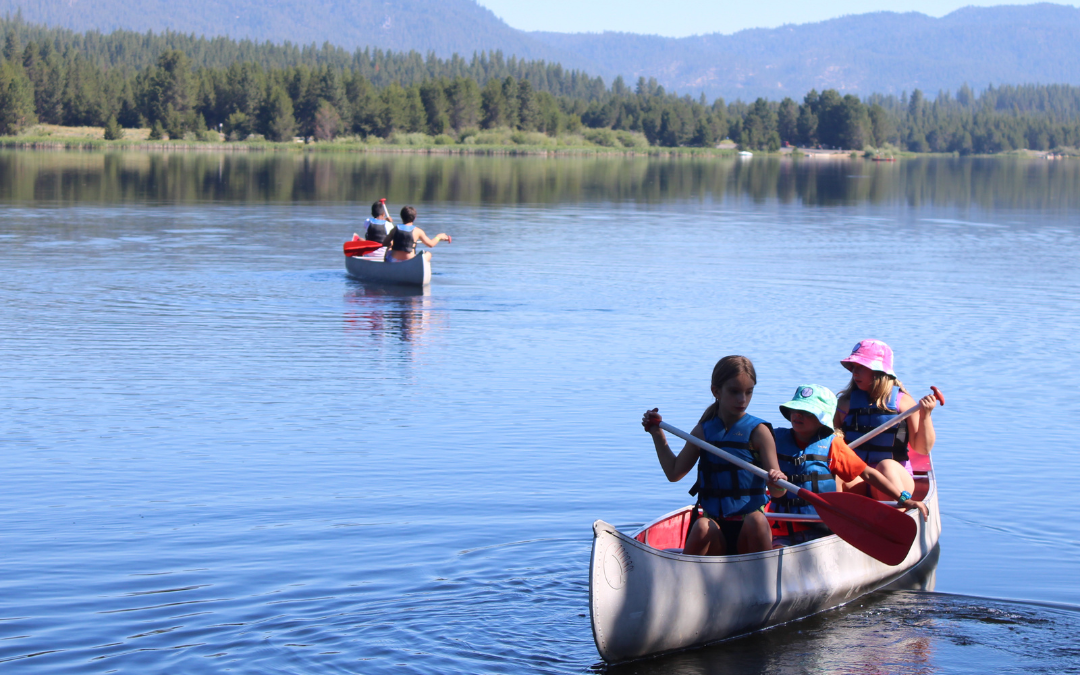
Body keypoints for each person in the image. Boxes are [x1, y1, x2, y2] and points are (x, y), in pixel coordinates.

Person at [642, 355, 786, 556]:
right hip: (714, 529)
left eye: (748, 392)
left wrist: (777, 480)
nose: (742, 399)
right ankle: (686, 579)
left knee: (757, 520)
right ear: (716, 391)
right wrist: (657, 434)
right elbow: (674, 473)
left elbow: (778, 492)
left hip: (749, 533)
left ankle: (761, 578)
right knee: (701, 526)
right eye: (734, 391)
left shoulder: (759, 432)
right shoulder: (703, 431)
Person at [769, 384, 929, 544]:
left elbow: (868, 474)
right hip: (782, 526)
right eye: (795, 410)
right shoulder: (774, 439)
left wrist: (903, 498)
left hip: (820, 530)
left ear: (822, 419)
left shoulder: (833, 446)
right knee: (775, 547)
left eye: (806, 412)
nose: (797, 416)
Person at [833, 339, 939, 500]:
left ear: (878, 372)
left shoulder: (904, 403)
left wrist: (926, 415)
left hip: (896, 481)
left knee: (886, 466)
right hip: (859, 477)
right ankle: (833, 518)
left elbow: (923, 449)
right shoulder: (844, 404)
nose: (855, 372)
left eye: (861, 367)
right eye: (853, 367)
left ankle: (896, 515)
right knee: (835, 470)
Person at [387, 206, 451, 262]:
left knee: (389, 249)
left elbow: (385, 243)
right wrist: (439, 237)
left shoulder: (395, 229)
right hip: (409, 261)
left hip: (394, 260)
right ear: (415, 218)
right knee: (428, 254)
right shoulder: (418, 231)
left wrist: (392, 243)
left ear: (401, 217)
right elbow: (431, 244)